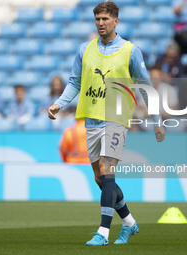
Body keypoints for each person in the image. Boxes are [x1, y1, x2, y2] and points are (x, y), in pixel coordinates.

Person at [48, 1, 165, 246]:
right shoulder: (85, 49)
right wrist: (59, 103)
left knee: (107, 169)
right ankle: (129, 223)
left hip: (117, 118)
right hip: (91, 118)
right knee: (100, 179)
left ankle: (103, 231)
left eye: (105, 19)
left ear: (115, 21)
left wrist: (157, 120)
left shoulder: (130, 51)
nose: (101, 23)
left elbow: (146, 87)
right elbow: (75, 82)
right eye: (97, 19)